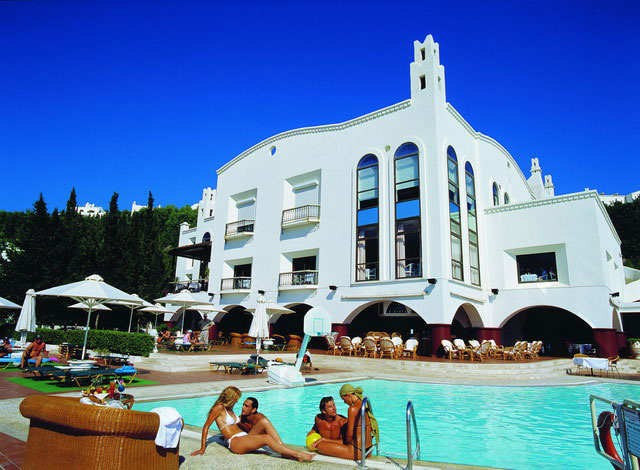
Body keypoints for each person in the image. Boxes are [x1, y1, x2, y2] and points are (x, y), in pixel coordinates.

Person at [190, 386, 313, 461]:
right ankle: (297, 454)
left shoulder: (230, 408)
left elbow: (231, 426)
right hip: (235, 442)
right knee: (266, 438)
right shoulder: (219, 408)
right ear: (231, 398)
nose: (238, 403)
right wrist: (202, 448)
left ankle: (284, 451)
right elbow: (206, 426)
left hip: (244, 437)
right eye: (236, 400)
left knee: (264, 421)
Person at [308, 384, 379, 460]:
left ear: (348, 396)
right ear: (323, 411)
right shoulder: (364, 405)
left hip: (358, 451)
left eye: (344, 399)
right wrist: (313, 431)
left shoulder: (351, 410)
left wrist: (324, 439)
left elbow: (349, 436)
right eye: (330, 407)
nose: (345, 402)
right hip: (367, 449)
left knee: (320, 446)